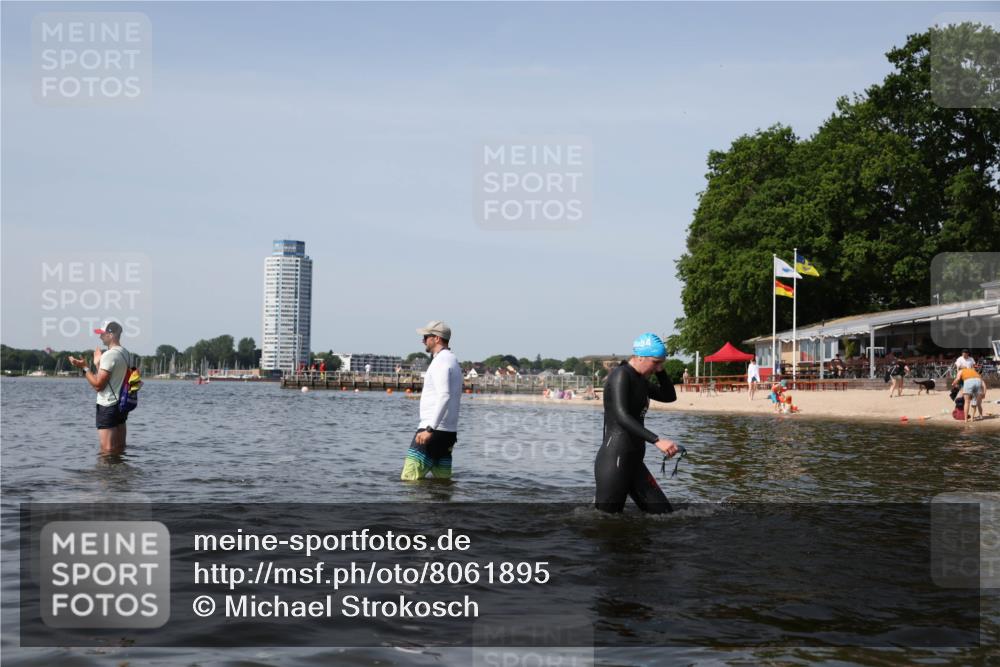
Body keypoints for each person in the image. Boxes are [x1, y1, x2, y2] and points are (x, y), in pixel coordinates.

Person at [594, 333, 680, 514]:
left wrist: (660, 370)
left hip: (634, 462)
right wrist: (657, 440)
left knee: (665, 515)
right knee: (606, 523)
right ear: (640, 356)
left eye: (661, 363)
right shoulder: (621, 375)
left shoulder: (641, 379)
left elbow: (669, 396)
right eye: (655, 362)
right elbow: (621, 416)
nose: (657, 367)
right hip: (614, 460)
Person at [401, 321, 462, 480]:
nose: (423, 341)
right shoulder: (453, 360)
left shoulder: (441, 361)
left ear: (436, 338)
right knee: (442, 484)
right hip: (448, 433)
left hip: (433, 431)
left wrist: (429, 429)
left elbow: (444, 395)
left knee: (409, 480)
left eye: (426, 337)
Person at [67, 321, 132, 456]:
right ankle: (121, 476)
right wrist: (98, 364)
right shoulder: (126, 353)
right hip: (121, 405)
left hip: (108, 405)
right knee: (119, 448)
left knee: (107, 451)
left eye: (102, 334)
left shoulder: (109, 355)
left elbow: (98, 385)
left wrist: (84, 368)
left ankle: (106, 476)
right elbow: (110, 380)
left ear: (111, 334)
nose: (100, 337)